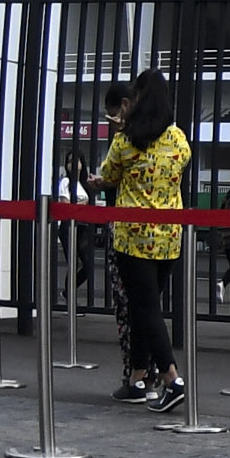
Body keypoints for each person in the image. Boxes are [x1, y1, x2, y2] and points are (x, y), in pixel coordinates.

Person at [91, 74, 191, 413]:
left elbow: (108, 175)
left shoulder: (126, 140)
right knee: (144, 306)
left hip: (133, 238)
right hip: (168, 237)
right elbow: (182, 166)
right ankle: (136, 378)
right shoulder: (179, 140)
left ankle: (171, 378)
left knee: (146, 308)